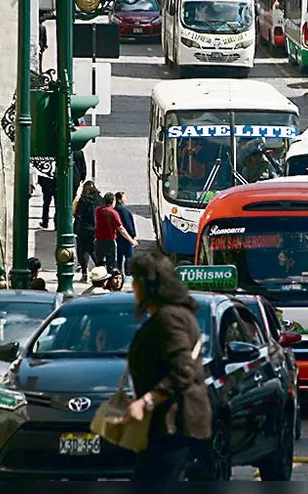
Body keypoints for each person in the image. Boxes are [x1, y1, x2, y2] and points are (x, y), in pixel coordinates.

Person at [123, 250, 211, 482]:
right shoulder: (176, 315)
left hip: (173, 425)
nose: (132, 287)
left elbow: (183, 370)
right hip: (168, 427)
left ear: (147, 283)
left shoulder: (168, 318)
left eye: (135, 280)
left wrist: (146, 401)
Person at [95, 193, 139, 269]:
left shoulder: (98, 210)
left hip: (99, 240)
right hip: (110, 241)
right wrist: (131, 240)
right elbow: (121, 229)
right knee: (111, 264)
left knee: (100, 263)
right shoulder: (113, 213)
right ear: (113, 201)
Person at [74, 181, 101, 282]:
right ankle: (100, 268)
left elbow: (79, 216)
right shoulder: (99, 199)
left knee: (83, 250)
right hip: (96, 229)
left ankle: (84, 272)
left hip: (84, 229)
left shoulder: (83, 200)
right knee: (93, 250)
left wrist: (76, 229)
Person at [115, 191, 138, 274]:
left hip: (117, 237)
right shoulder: (123, 210)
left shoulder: (116, 209)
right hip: (125, 237)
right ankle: (128, 273)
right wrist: (133, 235)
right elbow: (127, 224)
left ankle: (119, 272)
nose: (126, 200)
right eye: (124, 198)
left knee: (119, 257)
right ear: (119, 199)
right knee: (129, 256)